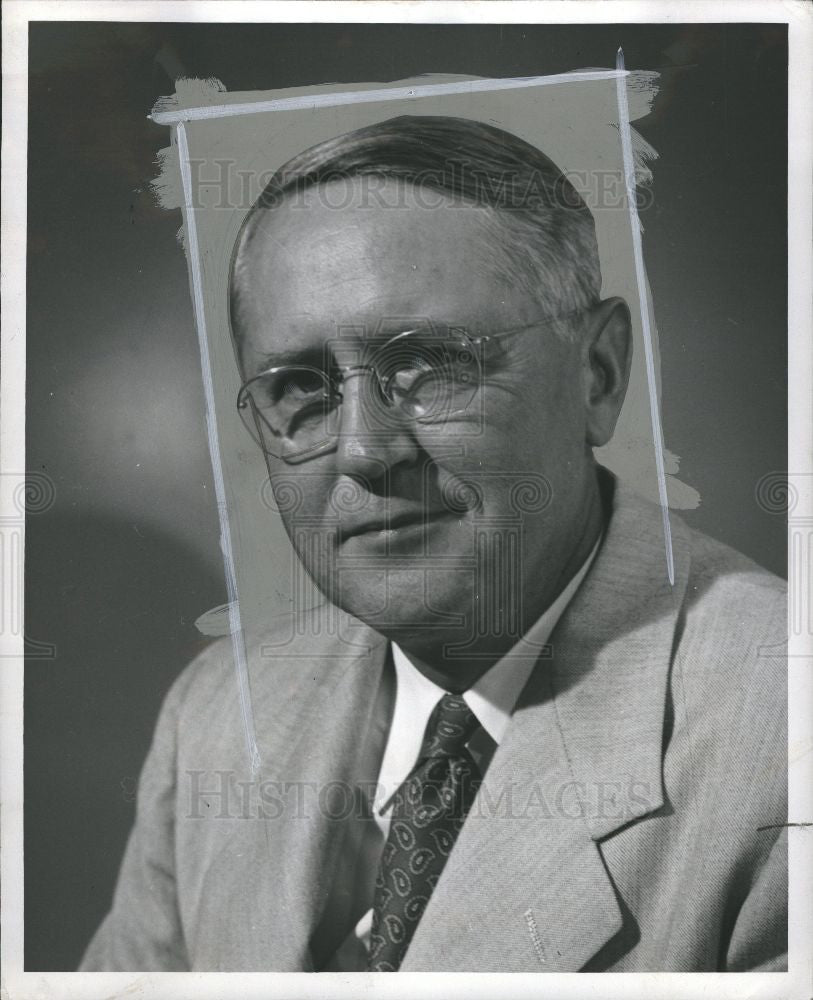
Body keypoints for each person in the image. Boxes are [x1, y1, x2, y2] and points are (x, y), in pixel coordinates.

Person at [80, 116, 787, 972]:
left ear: (597, 374)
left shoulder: (782, 739)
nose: (365, 451)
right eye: (301, 387)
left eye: (430, 366)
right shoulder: (218, 715)